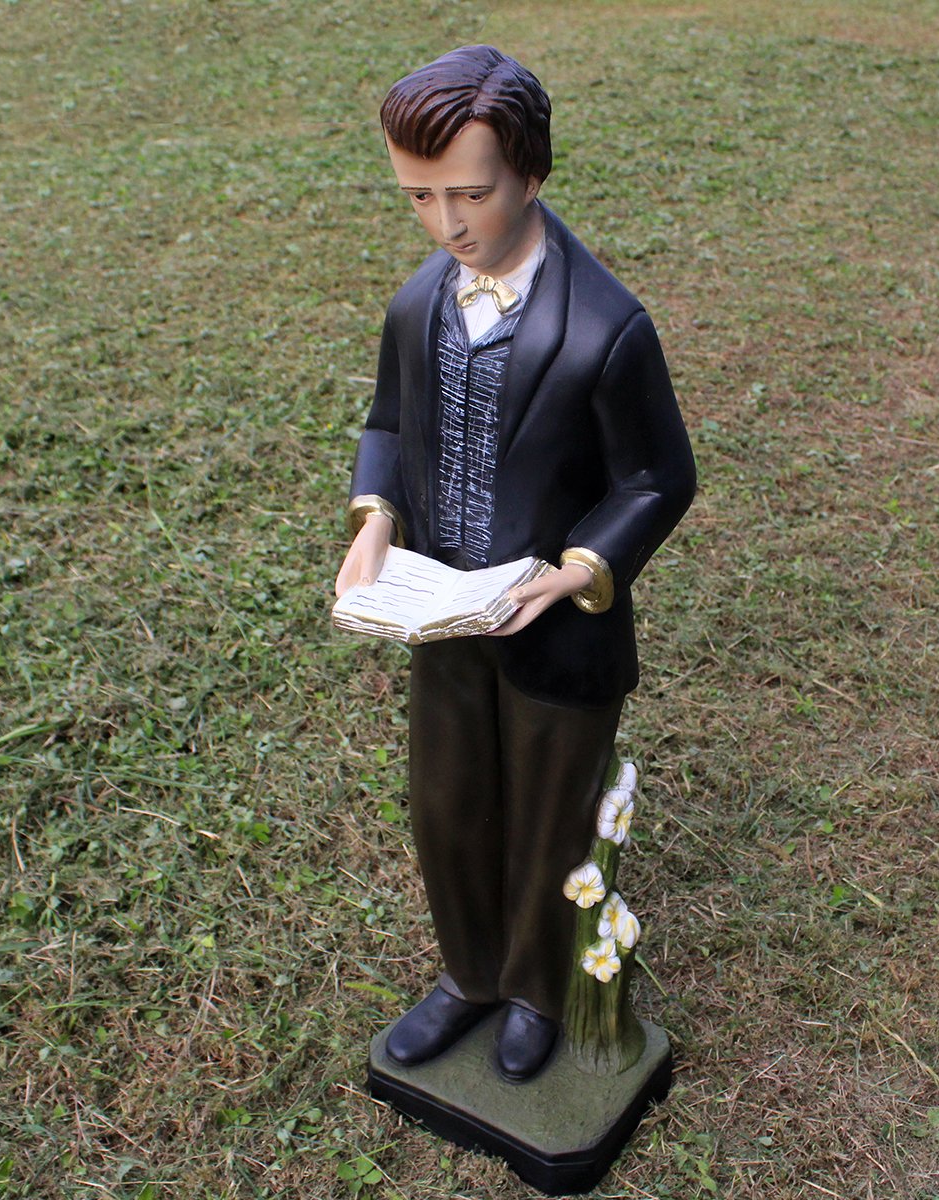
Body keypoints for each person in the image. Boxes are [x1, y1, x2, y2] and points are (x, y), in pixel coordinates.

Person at [335, 44, 695, 1084]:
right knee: (447, 802)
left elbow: (657, 478)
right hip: (444, 618)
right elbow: (389, 424)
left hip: (558, 634)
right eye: (419, 197)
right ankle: (468, 972)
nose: (447, 223)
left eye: (471, 194)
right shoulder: (419, 304)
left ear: (530, 173)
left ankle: (537, 985)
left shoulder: (607, 329)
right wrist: (375, 518)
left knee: (550, 814)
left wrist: (577, 571)